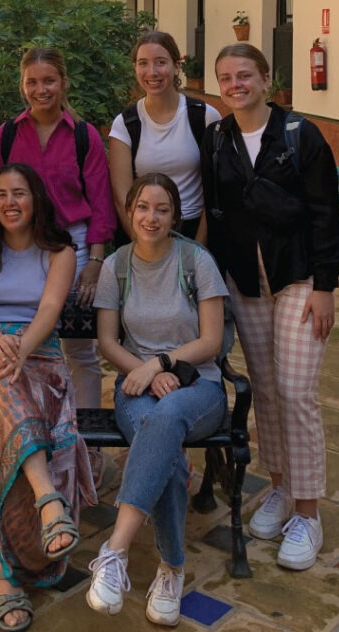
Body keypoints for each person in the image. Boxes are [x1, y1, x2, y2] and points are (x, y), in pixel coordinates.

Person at [200, 43, 339, 571]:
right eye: (226, 77)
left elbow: (325, 213)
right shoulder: (218, 138)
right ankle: (281, 488)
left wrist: (326, 284)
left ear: (266, 79)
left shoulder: (299, 136)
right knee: (265, 390)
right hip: (246, 283)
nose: (235, 84)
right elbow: (216, 215)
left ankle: (308, 512)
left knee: (296, 390)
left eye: (245, 75)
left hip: (299, 279)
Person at [87, 173, 227, 627]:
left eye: (162, 209)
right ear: (129, 211)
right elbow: (108, 342)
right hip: (136, 390)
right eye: (142, 207)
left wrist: (160, 364)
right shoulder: (117, 266)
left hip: (198, 389)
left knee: (164, 421)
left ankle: (116, 550)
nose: (151, 217)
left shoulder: (196, 260)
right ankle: (171, 568)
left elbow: (210, 341)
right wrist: (144, 374)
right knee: (163, 435)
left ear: (175, 215)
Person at [0, 163, 95, 632]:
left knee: (4, 409)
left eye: (19, 193)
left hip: (43, 358)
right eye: (1, 194)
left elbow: (50, 309)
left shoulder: (59, 251)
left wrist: (22, 349)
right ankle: (46, 498)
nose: (9, 202)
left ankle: (7, 575)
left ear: (35, 198)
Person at [0, 47, 115, 481]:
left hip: (70, 244)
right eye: (32, 82)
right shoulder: (7, 135)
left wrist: (95, 259)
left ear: (63, 83)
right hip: (18, 243)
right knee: (23, 330)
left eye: (49, 81)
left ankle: (87, 445)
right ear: (23, 85)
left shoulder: (83, 136)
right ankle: (30, 437)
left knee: (77, 346)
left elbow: (100, 202)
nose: (41, 90)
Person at [108, 32, 220, 241]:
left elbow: (215, 191)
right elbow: (121, 197)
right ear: (135, 68)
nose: (152, 72)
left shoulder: (205, 117)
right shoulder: (125, 124)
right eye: (143, 63)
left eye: (161, 62)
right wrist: (141, 245)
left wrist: (198, 247)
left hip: (194, 230)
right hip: (144, 231)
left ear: (176, 66)